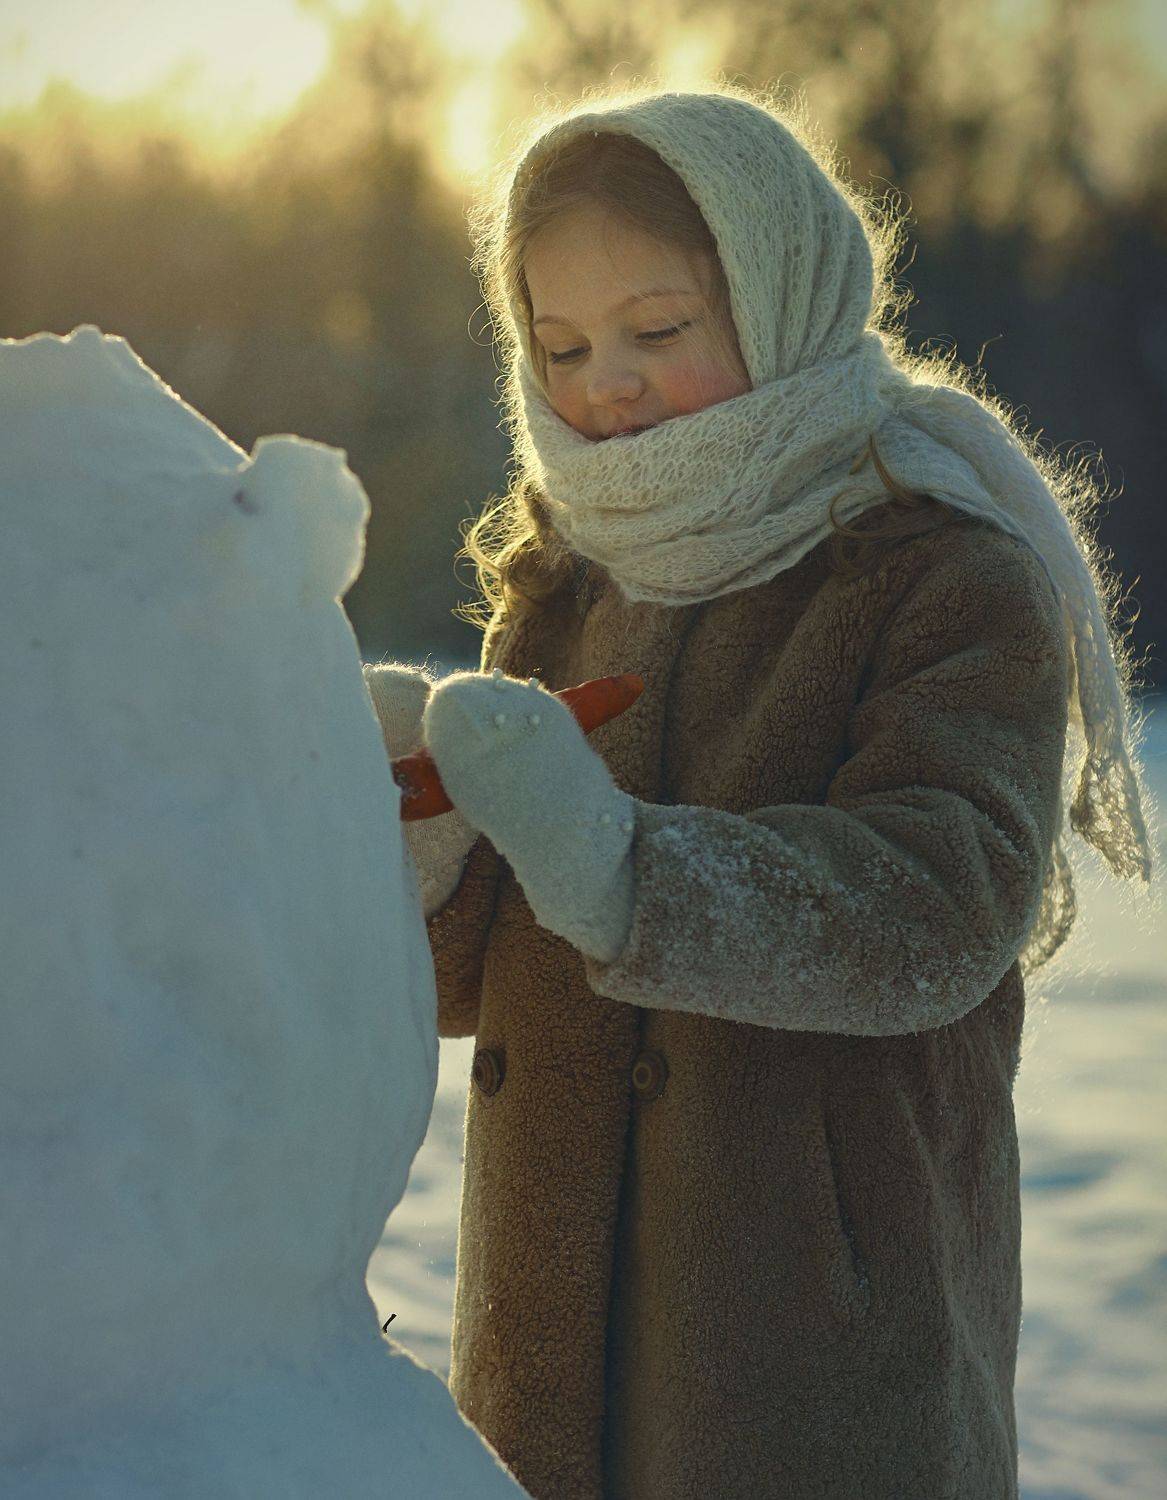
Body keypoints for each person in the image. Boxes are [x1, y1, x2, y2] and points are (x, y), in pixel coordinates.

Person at [363, 84, 1155, 1500]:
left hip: (815, 1356)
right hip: (545, 1352)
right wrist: (420, 850)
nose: (604, 383)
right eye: (561, 345)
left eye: (657, 331)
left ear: (782, 290)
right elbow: (506, 972)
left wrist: (623, 864)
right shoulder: (562, 579)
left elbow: (941, 905)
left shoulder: (942, 570)